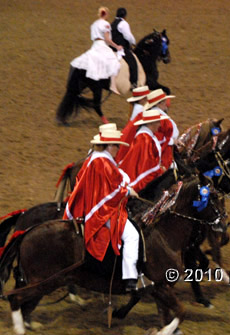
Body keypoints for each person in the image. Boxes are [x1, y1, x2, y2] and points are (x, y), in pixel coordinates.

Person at [64, 125, 141, 291]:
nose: (119, 149)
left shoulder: (95, 159)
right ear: (109, 145)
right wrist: (128, 191)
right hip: (101, 212)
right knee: (132, 235)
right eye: (117, 145)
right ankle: (130, 278)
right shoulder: (103, 162)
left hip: (92, 207)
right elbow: (111, 191)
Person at [118, 110, 170, 193]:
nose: (160, 125)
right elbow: (146, 164)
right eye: (158, 122)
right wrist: (159, 170)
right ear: (151, 123)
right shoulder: (144, 139)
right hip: (136, 178)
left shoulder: (148, 136)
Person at [70, 7, 123, 82]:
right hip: (102, 45)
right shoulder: (106, 24)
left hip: (95, 45)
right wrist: (117, 46)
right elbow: (107, 39)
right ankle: (113, 85)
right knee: (114, 62)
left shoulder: (94, 24)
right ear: (106, 14)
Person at [144, 89, 179, 170]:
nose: (166, 104)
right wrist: (172, 141)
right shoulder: (159, 116)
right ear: (160, 103)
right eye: (165, 102)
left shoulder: (152, 114)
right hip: (164, 153)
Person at [111, 8, 138, 88]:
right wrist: (133, 43)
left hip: (112, 48)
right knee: (133, 62)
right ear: (125, 16)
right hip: (121, 48)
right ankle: (134, 83)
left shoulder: (111, 24)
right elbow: (128, 36)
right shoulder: (123, 23)